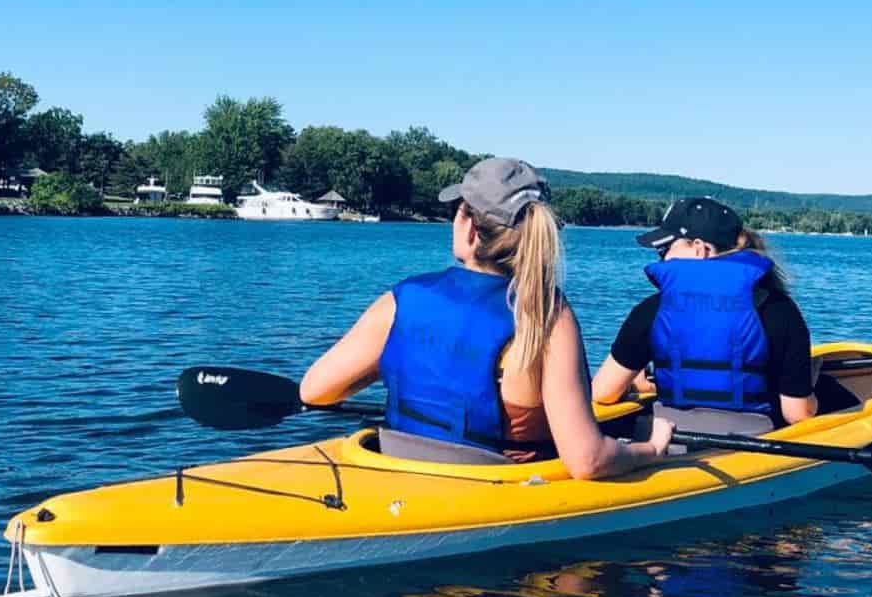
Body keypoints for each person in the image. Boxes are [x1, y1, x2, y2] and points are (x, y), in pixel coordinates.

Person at [301, 157, 673, 478]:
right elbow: (587, 460)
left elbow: (315, 391)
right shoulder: (546, 316)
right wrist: (651, 449)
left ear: (470, 227)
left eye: (454, 211)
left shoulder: (402, 298)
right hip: (492, 481)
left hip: (399, 467)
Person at [591, 196, 818, 435]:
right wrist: (812, 394)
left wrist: (645, 384)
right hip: (754, 448)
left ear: (700, 249)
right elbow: (797, 413)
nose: (662, 258)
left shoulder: (652, 309)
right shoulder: (778, 308)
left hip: (673, 445)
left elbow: (603, 392)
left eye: (664, 249)